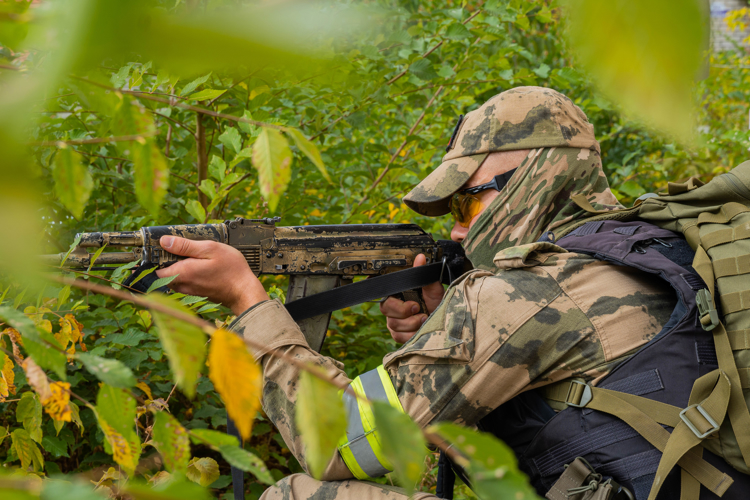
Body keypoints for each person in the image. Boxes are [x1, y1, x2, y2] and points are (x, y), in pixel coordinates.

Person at [154, 87, 678, 499]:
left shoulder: (524, 293)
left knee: (299, 495)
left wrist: (246, 298)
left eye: (467, 205)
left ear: (535, 179)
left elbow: (335, 441)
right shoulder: (641, 247)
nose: (456, 231)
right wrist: (441, 332)